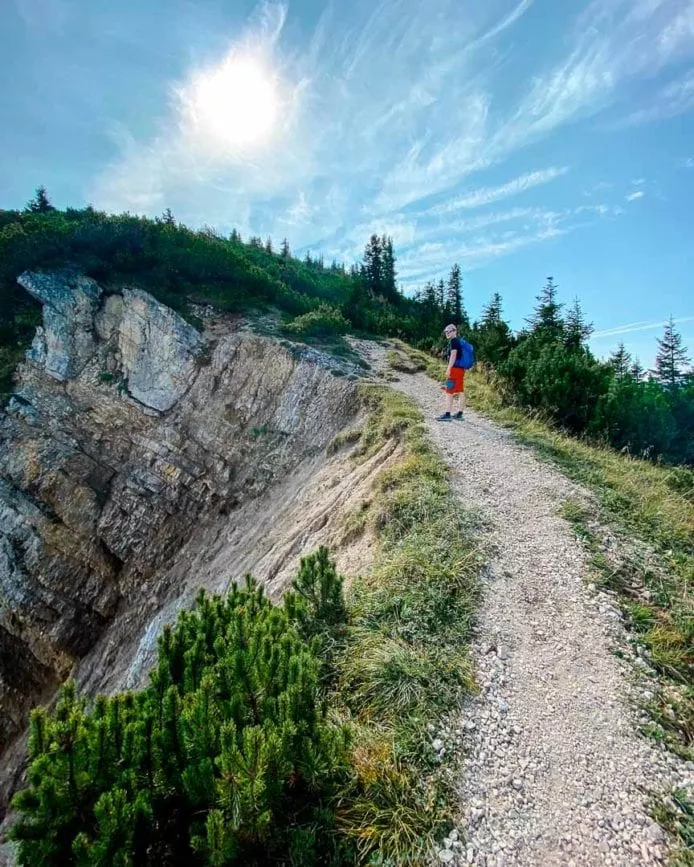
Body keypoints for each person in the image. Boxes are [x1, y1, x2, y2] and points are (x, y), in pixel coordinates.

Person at [437, 324, 467, 421]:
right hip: (461, 370)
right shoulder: (458, 342)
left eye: (449, 331)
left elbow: (453, 355)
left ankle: (447, 414)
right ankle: (460, 413)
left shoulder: (454, 341)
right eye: (446, 331)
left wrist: (449, 368)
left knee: (449, 391)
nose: (447, 333)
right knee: (460, 390)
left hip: (454, 370)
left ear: (454, 331)